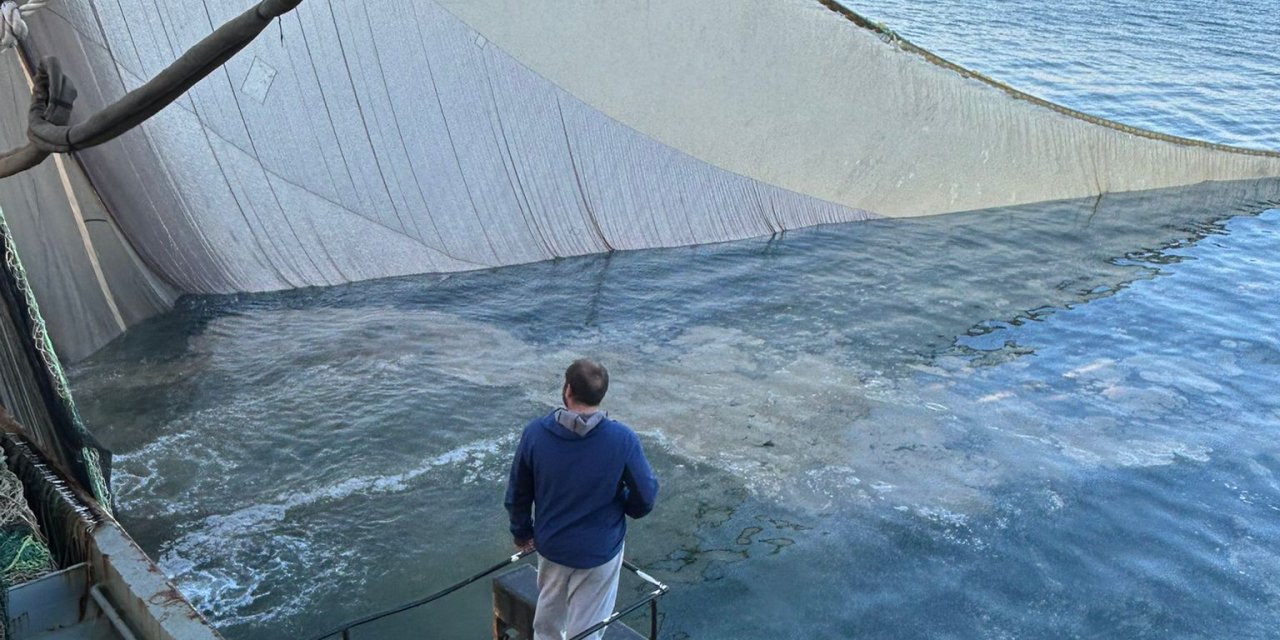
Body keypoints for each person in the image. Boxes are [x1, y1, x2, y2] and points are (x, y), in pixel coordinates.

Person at [505, 359, 659, 640]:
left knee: (547, 623)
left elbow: (518, 493)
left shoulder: (535, 434)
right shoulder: (622, 439)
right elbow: (645, 497)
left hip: (551, 547)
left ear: (567, 390)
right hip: (599, 551)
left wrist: (522, 533)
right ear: (601, 396)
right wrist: (624, 503)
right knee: (587, 629)